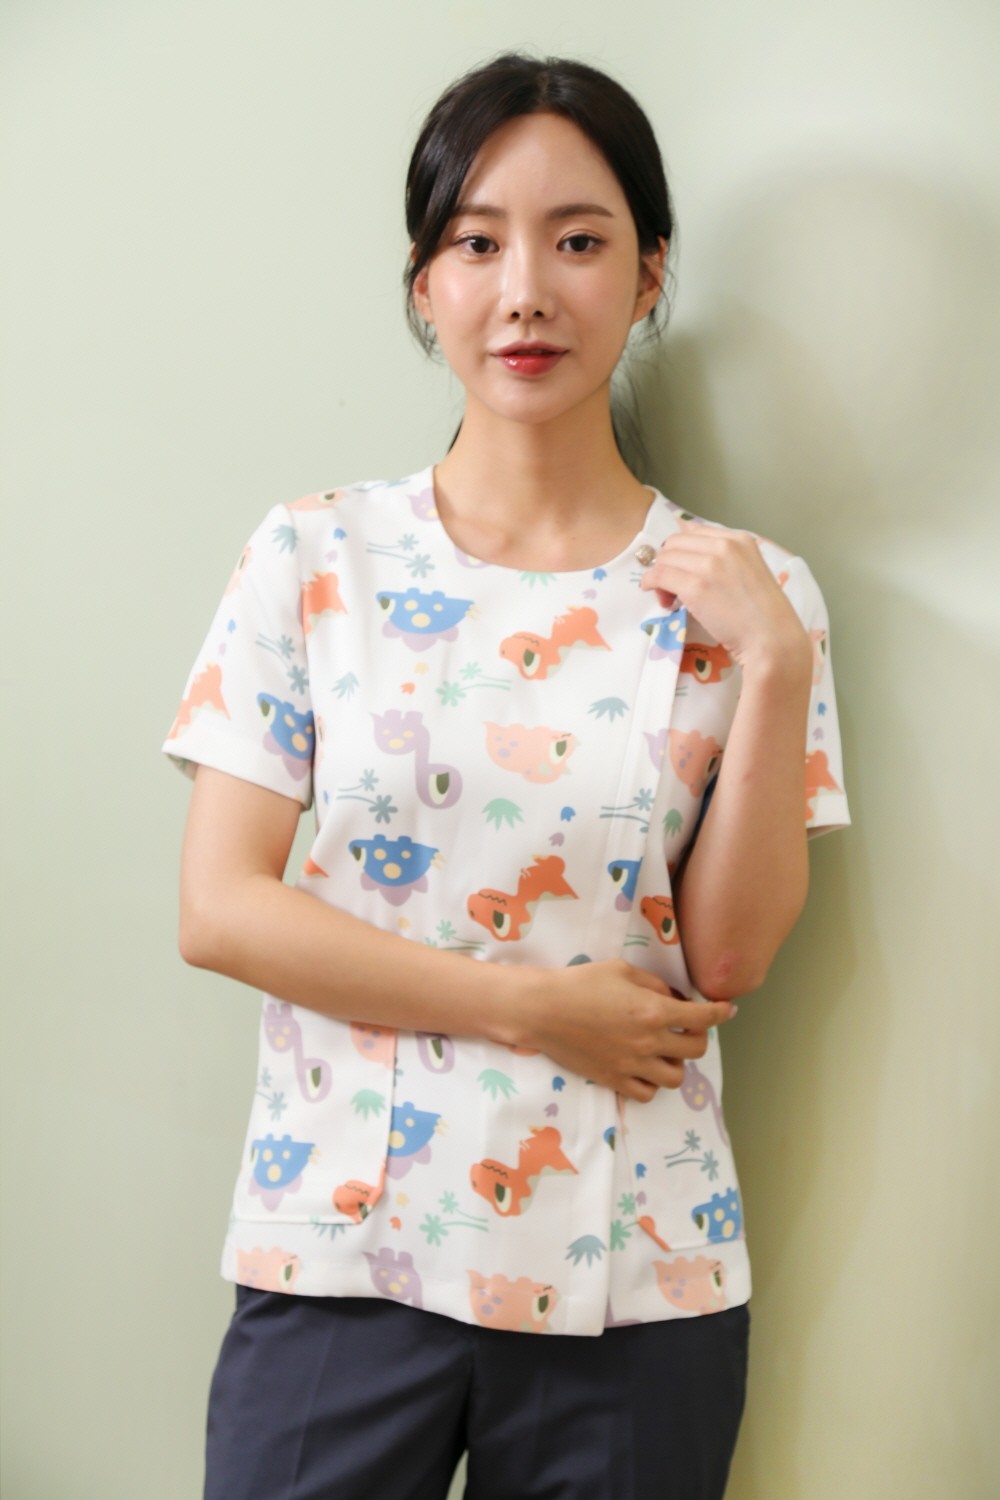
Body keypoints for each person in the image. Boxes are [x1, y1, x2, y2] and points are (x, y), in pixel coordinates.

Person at [164, 51, 849, 1500]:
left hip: (638, 1274)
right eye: (477, 243)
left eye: (578, 241)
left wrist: (778, 666)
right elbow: (220, 910)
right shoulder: (314, 557)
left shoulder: (755, 596)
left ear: (649, 275)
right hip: (338, 1254)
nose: (526, 290)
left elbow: (728, 957)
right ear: (426, 283)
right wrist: (533, 1009)